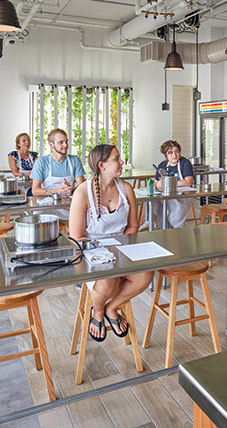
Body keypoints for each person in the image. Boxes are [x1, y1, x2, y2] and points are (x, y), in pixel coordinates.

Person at [69, 144, 153, 342]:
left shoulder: (126, 189)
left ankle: (111, 308)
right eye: (117, 159)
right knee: (109, 279)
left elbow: (133, 226)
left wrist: (122, 250)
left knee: (146, 274)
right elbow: (77, 237)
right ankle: (97, 312)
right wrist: (107, 255)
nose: (122, 162)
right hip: (92, 254)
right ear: (102, 165)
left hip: (122, 249)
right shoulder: (82, 193)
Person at [30, 128, 86, 219]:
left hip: (69, 207)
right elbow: (35, 190)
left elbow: (82, 187)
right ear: (51, 145)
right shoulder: (41, 162)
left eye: (66, 142)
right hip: (47, 208)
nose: (65, 145)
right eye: (61, 142)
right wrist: (58, 191)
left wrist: (70, 190)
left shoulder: (74, 160)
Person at [152, 140, 194, 229]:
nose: (174, 155)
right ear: (166, 155)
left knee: (174, 213)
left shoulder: (184, 163)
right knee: (153, 200)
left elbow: (188, 182)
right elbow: (157, 183)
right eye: (170, 153)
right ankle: (154, 223)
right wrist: (158, 184)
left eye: (176, 152)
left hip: (182, 197)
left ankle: (175, 229)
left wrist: (166, 183)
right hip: (166, 195)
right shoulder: (162, 165)